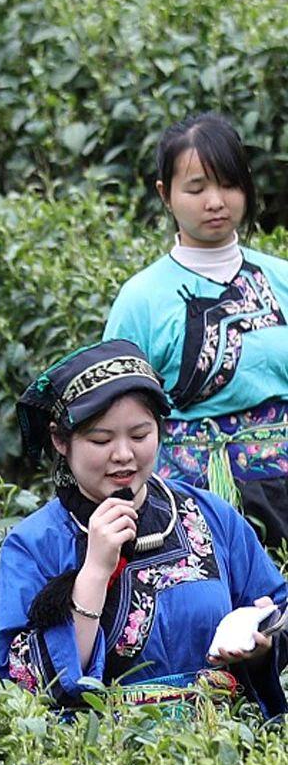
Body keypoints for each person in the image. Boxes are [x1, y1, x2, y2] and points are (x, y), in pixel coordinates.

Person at [0, 340, 288, 717]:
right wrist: (96, 571)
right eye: (101, 439)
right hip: (106, 758)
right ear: (60, 440)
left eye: (139, 435)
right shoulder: (34, 544)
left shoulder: (210, 515)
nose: (123, 455)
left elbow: (276, 608)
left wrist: (260, 641)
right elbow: (26, 684)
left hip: (224, 746)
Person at [105, 113, 288, 549]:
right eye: (197, 187)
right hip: (186, 505)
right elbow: (112, 410)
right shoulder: (141, 299)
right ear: (165, 195)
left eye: (228, 184)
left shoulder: (281, 279)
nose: (216, 201)